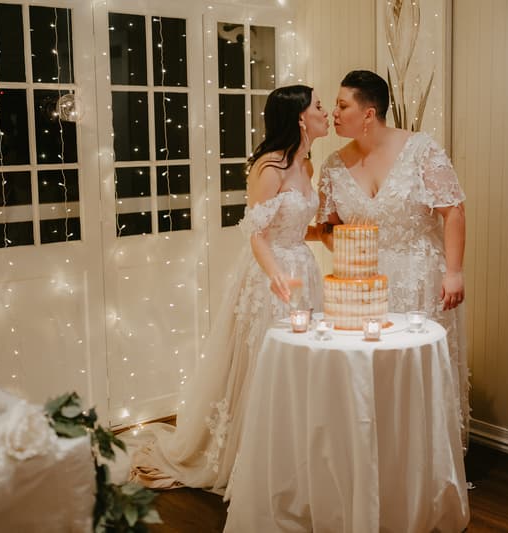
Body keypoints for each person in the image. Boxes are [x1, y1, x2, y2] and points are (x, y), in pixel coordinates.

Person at [130, 85, 329, 490]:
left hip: (303, 270)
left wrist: (321, 233)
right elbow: (257, 234)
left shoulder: (307, 166)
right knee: (266, 361)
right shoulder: (268, 168)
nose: (325, 112)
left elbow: (289, 226)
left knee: (302, 360)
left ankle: (295, 450)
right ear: (299, 118)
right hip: (270, 276)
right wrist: (275, 275)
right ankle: (253, 456)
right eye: (319, 106)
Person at [317, 70, 470, 450]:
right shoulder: (333, 166)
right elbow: (327, 227)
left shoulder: (421, 150)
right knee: (366, 369)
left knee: (417, 371)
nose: (334, 113)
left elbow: (453, 211)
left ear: (368, 113)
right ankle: (367, 453)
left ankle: (424, 458)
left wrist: (454, 272)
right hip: (364, 286)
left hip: (420, 278)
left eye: (342, 105)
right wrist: (353, 257)